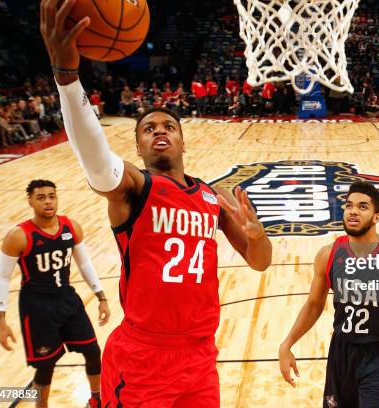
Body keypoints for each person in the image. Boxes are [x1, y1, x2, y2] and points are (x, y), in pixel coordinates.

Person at [40, 1, 273, 406]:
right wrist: (67, 79)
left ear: (183, 140)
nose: (160, 131)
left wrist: (257, 235)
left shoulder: (209, 196)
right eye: (149, 128)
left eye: (169, 127)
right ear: (138, 144)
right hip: (142, 357)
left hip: (200, 356)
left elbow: (260, 261)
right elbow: (97, 164)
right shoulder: (134, 187)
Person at [279, 181, 379, 407]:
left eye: (363, 206)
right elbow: (314, 304)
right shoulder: (329, 254)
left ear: (376, 216)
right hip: (342, 352)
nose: (353, 211)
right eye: (349, 205)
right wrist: (287, 344)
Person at [0, 179, 110, 408]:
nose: (48, 201)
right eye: (41, 197)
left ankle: (96, 398)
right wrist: (0, 321)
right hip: (37, 307)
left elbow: (84, 265)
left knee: (93, 350)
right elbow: (1, 278)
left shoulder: (71, 227)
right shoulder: (18, 235)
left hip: (67, 299)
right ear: (30, 201)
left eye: (52, 196)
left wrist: (101, 297)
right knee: (45, 367)